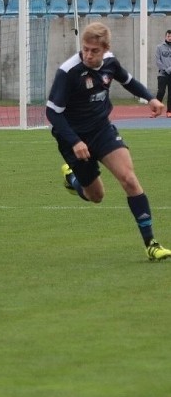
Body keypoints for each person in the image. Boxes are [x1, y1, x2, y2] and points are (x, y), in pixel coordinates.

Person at [47, 21, 171, 261]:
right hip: (73, 137)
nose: (88, 55)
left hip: (102, 130)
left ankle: (151, 244)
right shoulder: (68, 71)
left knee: (129, 179)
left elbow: (128, 81)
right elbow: (53, 113)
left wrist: (150, 99)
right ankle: (72, 178)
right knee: (96, 196)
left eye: (94, 51)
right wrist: (74, 141)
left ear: (105, 49)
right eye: (85, 49)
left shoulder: (111, 63)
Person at [153, 29, 171, 118]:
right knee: (161, 92)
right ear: (165, 36)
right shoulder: (159, 47)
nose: (170, 38)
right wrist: (165, 69)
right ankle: (156, 110)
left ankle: (169, 111)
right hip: (162, 74)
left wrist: (170, 69)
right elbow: (157, 60)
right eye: (168, 36)